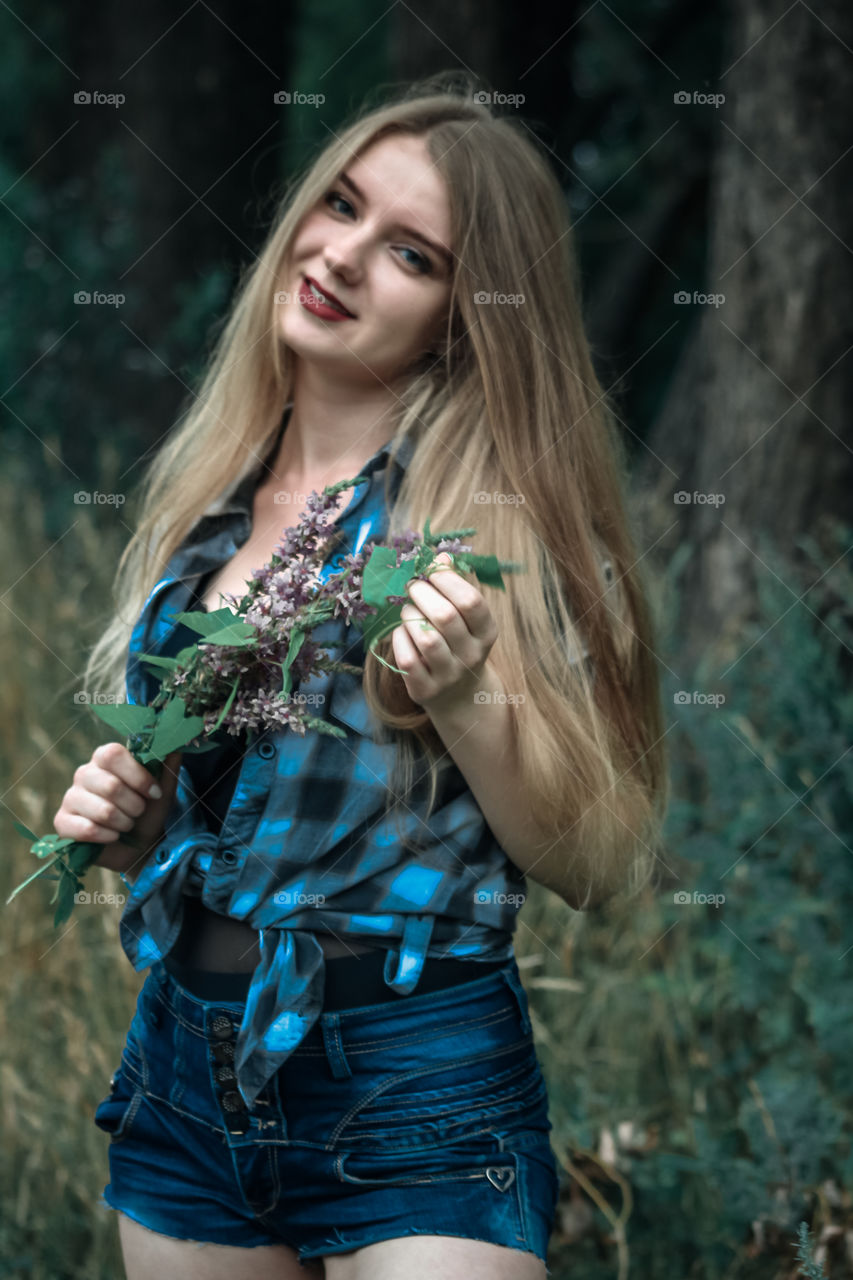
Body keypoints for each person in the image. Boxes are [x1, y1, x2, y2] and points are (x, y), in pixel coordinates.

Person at [56, 74, 668, 1280]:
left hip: (412, 1085)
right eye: (336, 205)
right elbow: (230, 829)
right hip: (186, 1072)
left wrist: (462, 696)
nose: (338, 254)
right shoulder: (205, 520)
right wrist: (135, 833)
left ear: (465, 313)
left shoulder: (494, 528)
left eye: (410, 254)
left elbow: (600, 862)